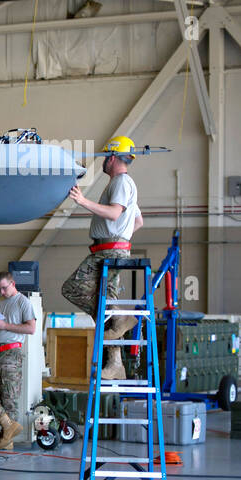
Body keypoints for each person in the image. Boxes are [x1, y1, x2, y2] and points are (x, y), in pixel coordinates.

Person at [61, 136, 145, 379]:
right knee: (103, 307)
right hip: (115, 248)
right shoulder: (127, 184)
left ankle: (119, 316)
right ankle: (116, 362)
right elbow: (137, 221)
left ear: (111, 157)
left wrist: (82, 200)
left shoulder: (121, 181)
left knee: (72, 288)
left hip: (108, 252)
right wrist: (122, 238)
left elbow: (114, 213)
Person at [0, 270, 38, 450]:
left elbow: (31, 328)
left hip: (11, 354)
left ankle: (5, 441)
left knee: (9, 398)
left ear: (12, 283)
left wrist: (5, 325)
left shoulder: (23, 302)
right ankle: (8, 427)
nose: (1, 292)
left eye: (4, 288)